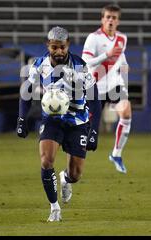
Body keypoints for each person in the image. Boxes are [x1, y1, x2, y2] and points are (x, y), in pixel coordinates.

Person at [16, 26, 102, 222]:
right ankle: (54, 208)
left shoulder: (80, 66)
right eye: (55, 47)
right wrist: (22, 119)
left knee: (76, 174)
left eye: (62, 47)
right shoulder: (39, 65)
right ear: (48, 46)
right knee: (46, 160)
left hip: (78, 121)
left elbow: (95, 100)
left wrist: (94, 131)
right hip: (52, 119)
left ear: (68, 45)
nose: (59, 51)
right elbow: (26, 91)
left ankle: (65, 179)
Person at [82, 4, 131, 174]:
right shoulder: (93, 38)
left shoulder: (122, 38)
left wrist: (124, 65)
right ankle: (71, 169)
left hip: (114, 83)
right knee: (88, 133)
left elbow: (121, 56)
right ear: (102, 19)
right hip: (95, 85)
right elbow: (86, 61)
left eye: (114, 18)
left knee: (126, 112)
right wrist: (106, 55)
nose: (110, 20)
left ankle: (116, 154)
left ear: (118, 21)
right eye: (107, 17)